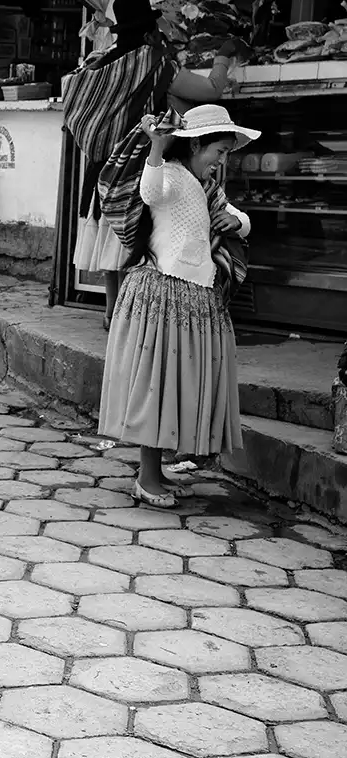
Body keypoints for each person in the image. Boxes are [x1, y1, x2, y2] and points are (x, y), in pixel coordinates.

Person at [99, 104, 258, 508]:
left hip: (194, 297)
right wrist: (156, 148)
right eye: (218, 152)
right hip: (164, 295)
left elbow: (242, 218)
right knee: (159, 385)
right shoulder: (169, 175)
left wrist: (235, 223)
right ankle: (147, 476)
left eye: (225, 155)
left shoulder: (206, 188)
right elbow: (149, 192)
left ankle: (159, 470)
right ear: (197, 144)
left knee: (174, 388)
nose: (221, 162)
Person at [72, 0, 240, 329]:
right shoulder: (156, 65)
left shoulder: (101, 64)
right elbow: (211, 90)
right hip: (139, 162)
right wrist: (223, 55)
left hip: (105, 165)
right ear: (150, 32)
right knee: (135, 235)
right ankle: (131, 316)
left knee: (113, 232)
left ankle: (111, 311)